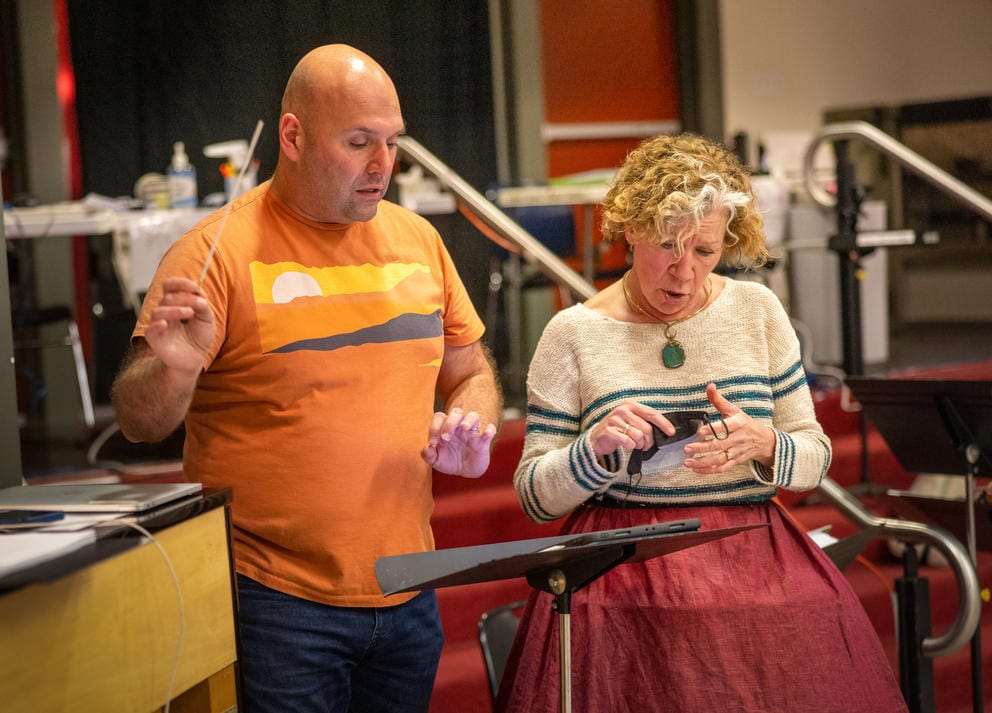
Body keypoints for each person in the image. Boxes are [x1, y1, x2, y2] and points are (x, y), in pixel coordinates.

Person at [111, 44, 502, 713]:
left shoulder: (417, 240)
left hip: (410, 588)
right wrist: (173, 368)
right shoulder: (217, 253)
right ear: (292, 136)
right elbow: (139, 419)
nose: (383, 165)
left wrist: (472, 416)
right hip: (275, 601)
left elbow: (470, 369)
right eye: (358, 143)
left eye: (391, 142)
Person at [495, 133, 908, 713]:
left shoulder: (756, 310)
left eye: (705, 252)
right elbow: (535, 498)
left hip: (752, 557)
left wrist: (766, 444)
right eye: (667, 244)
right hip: (624, 570)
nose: (684, 272)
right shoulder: (573, 333)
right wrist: (592, 450)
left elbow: (813, 458)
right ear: (631, 228)